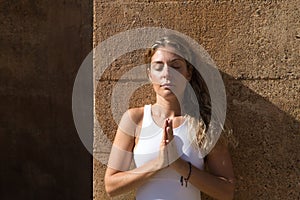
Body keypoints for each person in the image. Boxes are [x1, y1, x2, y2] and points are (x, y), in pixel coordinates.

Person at [104, 34, 236, 200]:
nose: (166, 74)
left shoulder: (204, 122)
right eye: (158, 67)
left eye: (175, 66)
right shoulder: (135, 119)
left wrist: (180, 166)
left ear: (188, 73)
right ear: (150, 74)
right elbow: (111, 186)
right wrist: (158, 163)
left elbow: (226, 191)